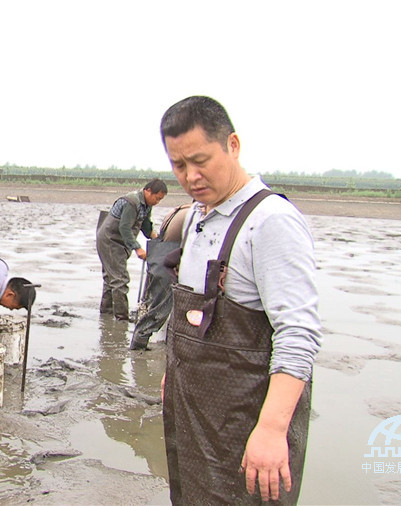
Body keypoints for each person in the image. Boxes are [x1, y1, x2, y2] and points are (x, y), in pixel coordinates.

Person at [158, 96, 322, 504]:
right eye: (179, 165)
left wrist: (271, 430)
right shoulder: (198, 215)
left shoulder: (271, 223)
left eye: (201, 160)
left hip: (245, 422)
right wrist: (172, 370)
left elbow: (298, 334)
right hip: (193, 411)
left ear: (232, 145)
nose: (191, 176)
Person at [96, 178, 167, 321]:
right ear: (148, 191)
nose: (157, 202)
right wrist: (137, 248)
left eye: (160, 200)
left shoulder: (146, 205)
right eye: (157, 198)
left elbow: (145, 225)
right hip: (110, 240)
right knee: (120, 279)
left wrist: (156, 238)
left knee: (111, 278)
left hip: (120, 242)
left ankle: (106, 313)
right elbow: (124, 227)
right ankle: (122, 318)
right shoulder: (131, 202)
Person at [128, 202, 191, 350]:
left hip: (159, 256)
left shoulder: (180, 209)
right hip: (170, 261)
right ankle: (139, 345)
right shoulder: (195, 215)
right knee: (160, 307)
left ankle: (151, 341)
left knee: (153, 303)